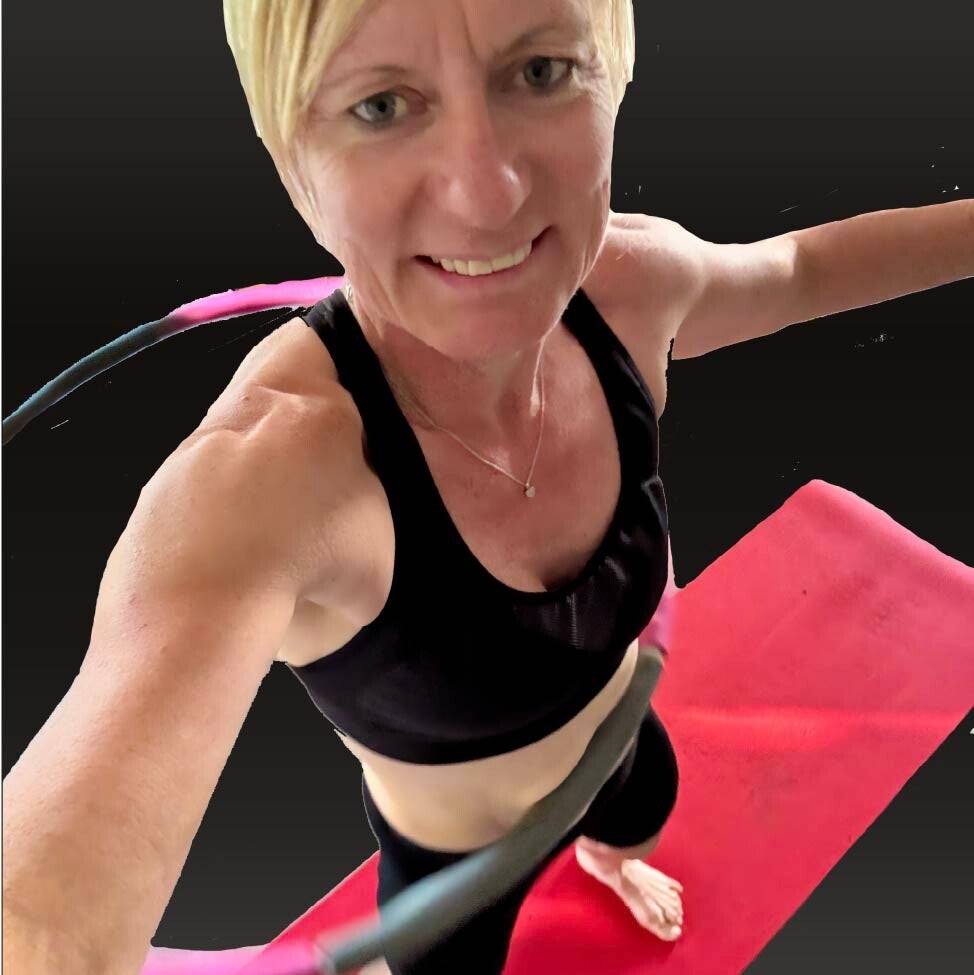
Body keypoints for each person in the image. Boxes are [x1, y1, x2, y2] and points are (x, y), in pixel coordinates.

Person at [5, 1, 972, 974]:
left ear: (613, 80)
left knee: (642, 812)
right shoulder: (266, 480)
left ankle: (608, 858)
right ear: (292, 163)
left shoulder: (632, 289)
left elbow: (802, 269)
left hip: (620, 741)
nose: (486, 192)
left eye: (540, 72)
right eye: (382, 105)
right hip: (451, 862)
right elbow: (44, 912)